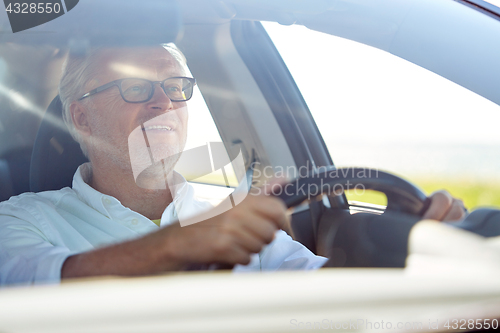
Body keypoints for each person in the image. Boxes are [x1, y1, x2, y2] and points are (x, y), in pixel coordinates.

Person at [0, 44, 466, 286]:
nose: (164, 104)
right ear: (81, 117)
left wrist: (401, 252)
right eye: (136, 87)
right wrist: (178, 246)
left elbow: (313, 286)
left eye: (177, 86)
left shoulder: (224, 208)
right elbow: (33, 288)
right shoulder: (22, 219)